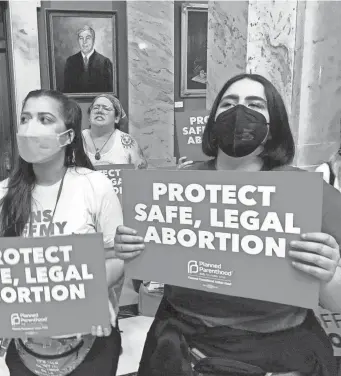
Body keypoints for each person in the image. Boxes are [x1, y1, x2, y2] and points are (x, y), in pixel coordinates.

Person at [114, 73, 341, 376]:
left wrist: (327, 275)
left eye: (255, 105)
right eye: (229, 103)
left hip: (277, 354)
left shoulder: (311, 192)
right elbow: (148, 277)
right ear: (213, 120)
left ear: (274, 125)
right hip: (177, 347)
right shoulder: (174, 185)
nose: (239, 112)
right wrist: (131, 250)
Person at [0, 89, 124, 376]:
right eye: (25, 118)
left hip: (88, 342)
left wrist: (93, 294)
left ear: (69, 136)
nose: (31, 127)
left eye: (45, 119)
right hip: (26, 346)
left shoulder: (95, 186)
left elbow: (116, 258)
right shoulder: (2, 194)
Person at [82, 94, 147, 169]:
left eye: (106, 109)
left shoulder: (128, 142)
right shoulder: (77, 139)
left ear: (116, 118)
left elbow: (140, 175)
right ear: (89, 117)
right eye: (95, 108)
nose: (99, 111)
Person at [63, 25, 113, 94]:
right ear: (78, 40)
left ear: (93, 40)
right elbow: (66, 90)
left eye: (88, 38)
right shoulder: (70, 61)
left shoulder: (105, 62)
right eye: (81, 38)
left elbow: (109, 91)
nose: (84, 42)